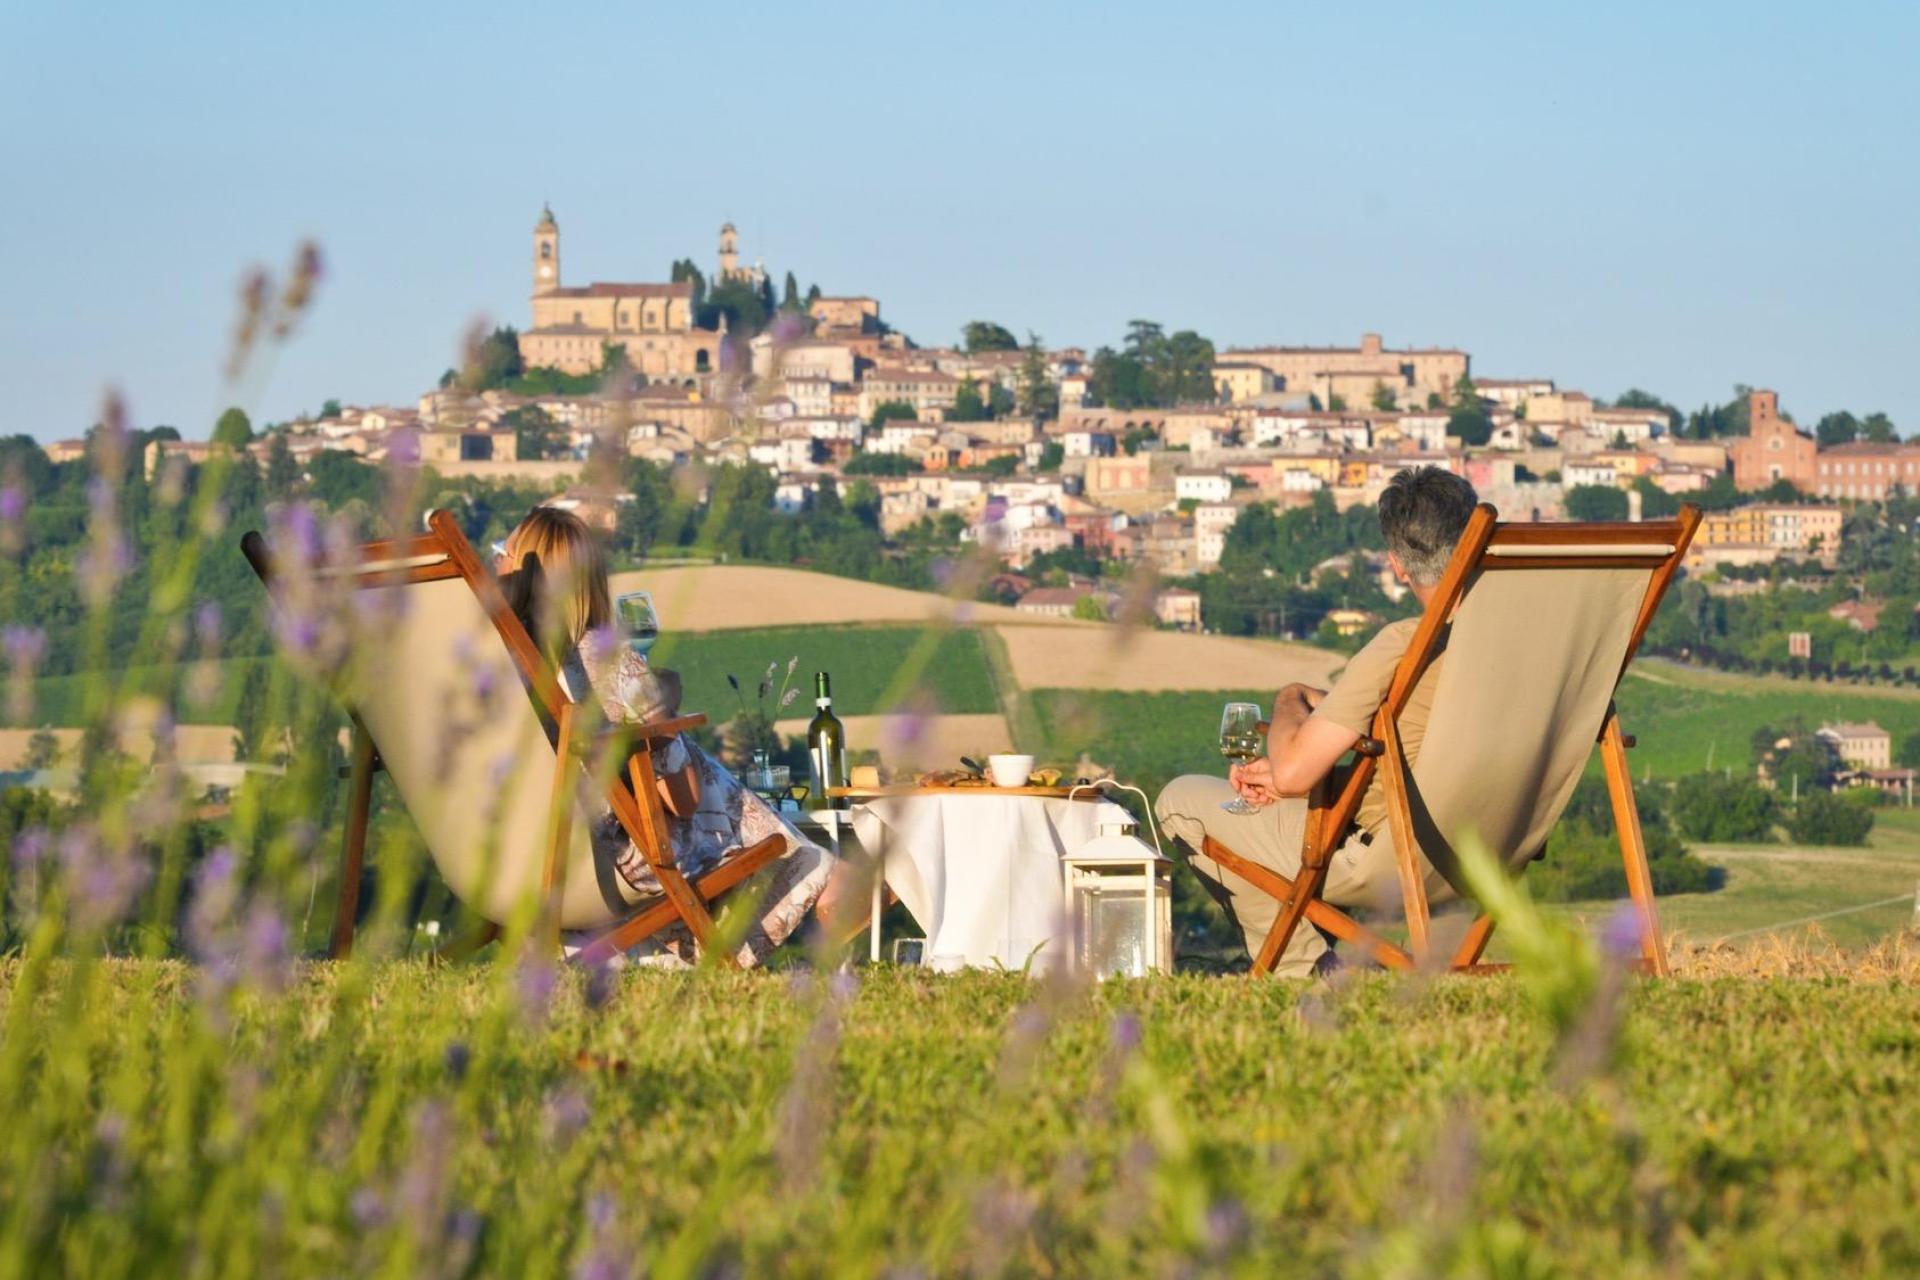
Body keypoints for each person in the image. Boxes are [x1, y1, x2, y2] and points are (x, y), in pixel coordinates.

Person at [1155, 467, 1480, 976]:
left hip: (1399, 859)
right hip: (1499, 846)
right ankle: (1321, 957)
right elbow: (1429, 737)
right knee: (1304, 794)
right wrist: (1327, 735)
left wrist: (1292, 700)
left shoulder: (1404, 645)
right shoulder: (1530, 649)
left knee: (1180, 801)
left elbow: (1291, 773)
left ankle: (1307, 970)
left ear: (1396, 564)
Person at [496, 506, 849, 966]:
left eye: (502, 554)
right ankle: (813, 872)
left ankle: (817, 872)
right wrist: (661, 718)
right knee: (684, 760)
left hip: (514, 856)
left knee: (666, 742)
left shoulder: (490, 669)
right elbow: (682, 800)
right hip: (609, 863)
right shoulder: (608, 663)